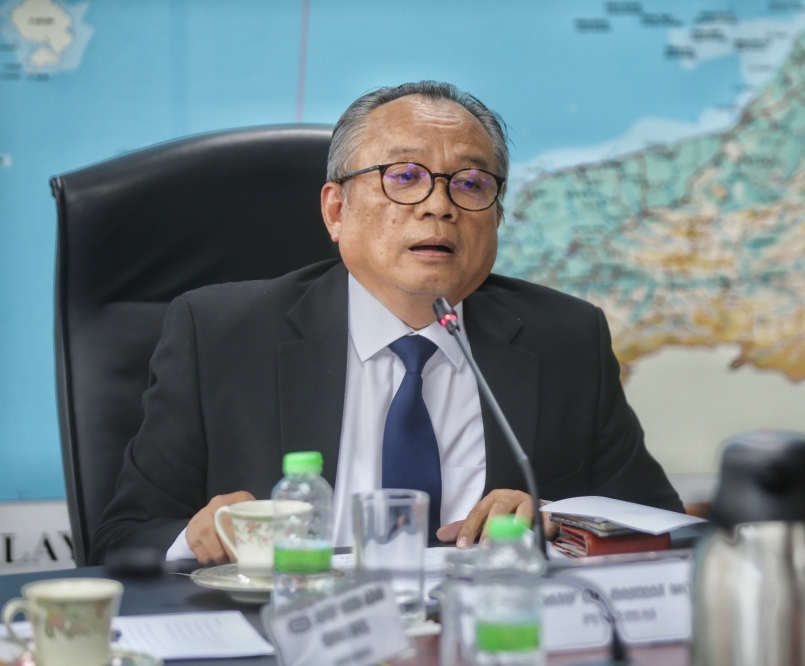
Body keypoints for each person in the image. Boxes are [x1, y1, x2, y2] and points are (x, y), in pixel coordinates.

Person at [91, 81, 683, 565]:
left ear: (497, 216)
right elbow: (123, 538)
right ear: (335, 210)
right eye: (404, 176)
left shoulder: (566, 339)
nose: (439, 205)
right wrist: (197, 538)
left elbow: (664, 530)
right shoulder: (218, 334)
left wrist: (557, 524)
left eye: (471, 184)